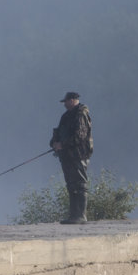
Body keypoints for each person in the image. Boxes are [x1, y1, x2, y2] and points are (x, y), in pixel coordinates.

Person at [50, 91, 93, 224]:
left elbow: (80, 135)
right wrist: (54, 143)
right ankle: (73, 215)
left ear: (74, 100)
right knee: (71, 185)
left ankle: (80, 215)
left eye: (67, 101)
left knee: (80, 184)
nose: (65, 104)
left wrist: (62, 144)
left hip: (79, 154)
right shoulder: (66, 116)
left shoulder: (81, 114)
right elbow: (58, 132)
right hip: (67, 155)